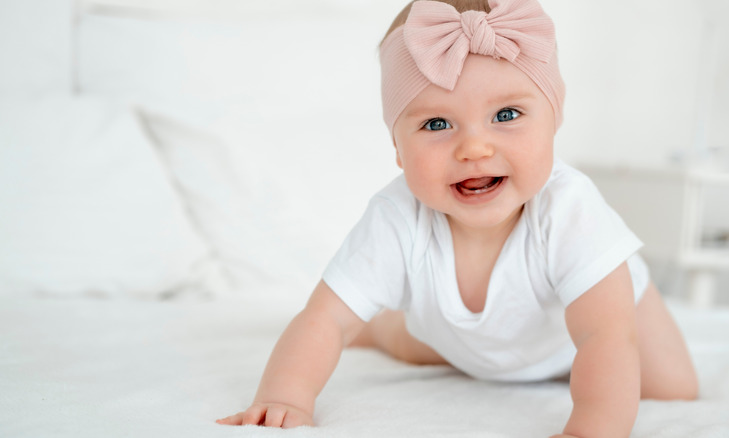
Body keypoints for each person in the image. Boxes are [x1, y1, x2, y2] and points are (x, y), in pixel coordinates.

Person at [216, 0, 698, 436]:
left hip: (594, 326)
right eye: (437, 124)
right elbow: (323, 319)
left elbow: (605, 335)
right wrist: (284, 397)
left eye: (507, 114)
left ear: (555, 117)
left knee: (673, 387)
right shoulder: (396, 216)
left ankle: (410, 330)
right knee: (406, 340)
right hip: (465, 340)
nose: (475, 148)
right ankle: (383, 327)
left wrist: (591, 427)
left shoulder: (569, 208)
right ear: (397, 148)